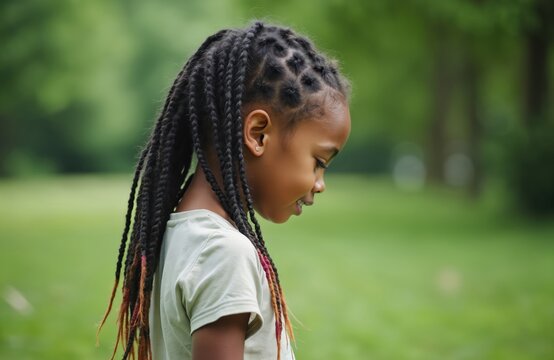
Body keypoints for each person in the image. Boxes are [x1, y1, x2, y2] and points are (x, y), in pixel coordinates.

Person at [97, 21, 351, 360]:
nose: (319, 184)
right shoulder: (224, 253)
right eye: (318, 161)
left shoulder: (181, 231)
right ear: (259, 134)